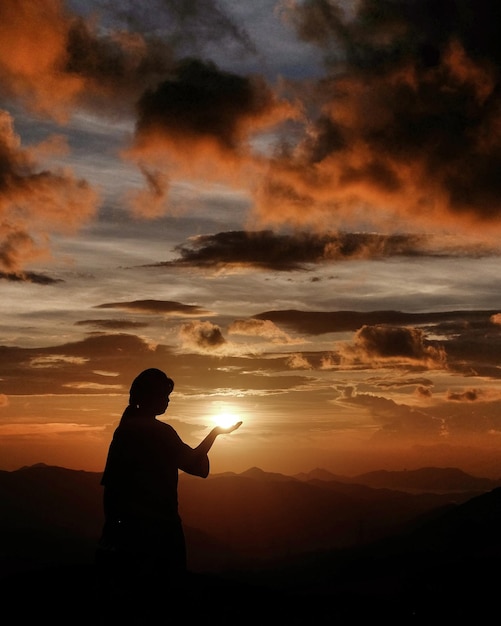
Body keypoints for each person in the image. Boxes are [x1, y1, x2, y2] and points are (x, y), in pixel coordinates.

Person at [95, 368, 242, 616]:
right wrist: (215, 433)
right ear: (151, 396)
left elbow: (111, 485)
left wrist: (112, 526)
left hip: (126, 527)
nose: (168, 400)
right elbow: (194, 463)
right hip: (160, 529)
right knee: (165, 598)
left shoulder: (124, 431)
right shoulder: (159, 432)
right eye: (165, 395)